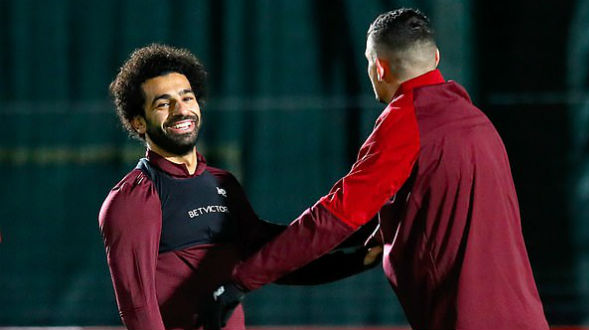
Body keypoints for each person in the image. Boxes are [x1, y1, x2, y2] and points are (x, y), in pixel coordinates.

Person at [212, 8, 550, 330]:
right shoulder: (475, 121)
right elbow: (435, 207)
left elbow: (336, 216)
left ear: (379, 69)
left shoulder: (406, 121)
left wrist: (243, 278)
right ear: (435, 59)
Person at [99, 44, 382, 330]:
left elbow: (272, 257)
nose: (181, 110)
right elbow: (138, 308)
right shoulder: (134, 198)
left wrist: (355, 257)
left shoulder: (223, 183)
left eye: (187, 97)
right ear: (138, 122)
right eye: (163, 103)